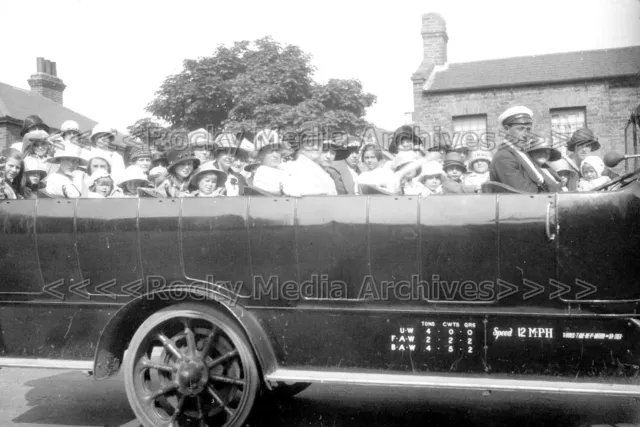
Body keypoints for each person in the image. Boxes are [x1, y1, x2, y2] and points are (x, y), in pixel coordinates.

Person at [488, 106, 548, 193]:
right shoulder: (504, 157)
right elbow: (522, 192)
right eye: (520, 129)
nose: (525, 134)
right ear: (506, 129)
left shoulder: (521, 153)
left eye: (528, 129)